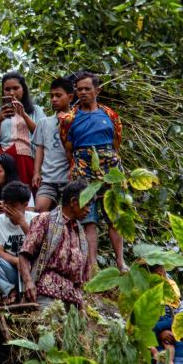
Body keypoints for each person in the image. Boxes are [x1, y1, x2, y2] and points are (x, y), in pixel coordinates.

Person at [59, 71, 126, 272]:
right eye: (79, 89)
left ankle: (121, 262)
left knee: (115, 216)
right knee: (88, 219)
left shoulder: (110, 115)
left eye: (87, 89)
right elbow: (68, 149)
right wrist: (82, 164)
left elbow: (116, 143)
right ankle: (92, 266)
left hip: (110, 169)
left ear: (97, 90)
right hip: (82, 169)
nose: (83, 92)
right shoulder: (69, 118)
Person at [18, 180, 92, 309]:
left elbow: (82, 278)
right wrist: (28, 282)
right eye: (87, 204)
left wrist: (82, 306)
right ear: (74, 202)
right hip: (47, 292)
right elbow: (24, 254)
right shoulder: (45, 219)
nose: (88, 210)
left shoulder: (80, 232)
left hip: (72, 297)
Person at [0, 71, 45, 190]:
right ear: (3, 91)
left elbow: (42, 135)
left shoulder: (35, 111)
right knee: (3, 196)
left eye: (16, 88)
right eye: (7, 89)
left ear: (23, 89)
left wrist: (24, 115)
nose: (11, 92)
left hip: (27, 159)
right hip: (1, 162)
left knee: (26, 196)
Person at [0, 182, 37, 303]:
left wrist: (22, 223)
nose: (7, 208)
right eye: (5, 204)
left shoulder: (36, 219)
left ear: (25, 205)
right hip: (11, 269)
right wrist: (16, 261)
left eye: (13, 205)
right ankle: (9, 290)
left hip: (33, 269)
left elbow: (40, 246)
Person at [32, 77, 75, 212]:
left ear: (70, 97)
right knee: (40, 209)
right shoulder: (44, 122)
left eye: (58, 95)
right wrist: (36, 172)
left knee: (71, 213)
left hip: (70, 178)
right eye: (52, 96)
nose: (54, 99)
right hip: (49, 178)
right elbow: (40, 148)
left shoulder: (77, 120)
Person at [0, 153, 34, 242]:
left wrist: (7, 208)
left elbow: (30, 214)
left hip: (19, 227)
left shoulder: (22, 189)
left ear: (8, 172)